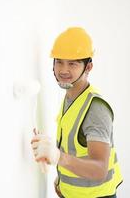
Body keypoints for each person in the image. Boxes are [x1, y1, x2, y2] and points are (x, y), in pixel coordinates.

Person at [31, 27, 123, 198]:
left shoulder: (96, 109)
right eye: (59, 62)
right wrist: (62, 182)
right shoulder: (71, 97)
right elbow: (74, 148)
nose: (63, 70)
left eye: (72, 63)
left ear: (88, 66)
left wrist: (58, 156)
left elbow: (99, 169)